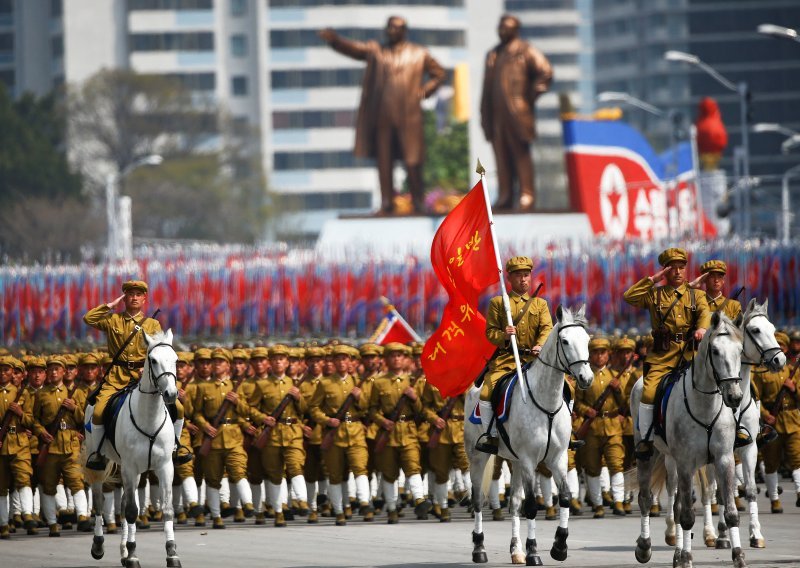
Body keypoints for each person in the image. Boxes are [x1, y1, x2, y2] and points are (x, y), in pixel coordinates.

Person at [319, 17, 446, 215]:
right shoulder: (376, 51)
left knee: (412, 161)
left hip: (409, 116)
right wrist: (335, 40)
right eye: (390, 27)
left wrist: (425, 90)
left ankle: (418, 203)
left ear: (405, 31)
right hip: (382, 116)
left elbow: (439, 73)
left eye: (397, 28)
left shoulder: (419, 53)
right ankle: (387, 203)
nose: (392, 31)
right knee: (384, 161)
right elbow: (355, 49)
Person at [82, 280, 191, 469]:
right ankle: (97, 453)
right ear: (125, 298)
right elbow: (88, 318)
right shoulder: (113, 320)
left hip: (144, 377)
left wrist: (146, 368)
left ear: (144, 299)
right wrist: (110, 306)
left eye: (138, 294)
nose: (134, 298)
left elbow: (159, 352)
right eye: (130, 294)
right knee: (99, 411)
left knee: (179, 408)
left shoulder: (152, 324)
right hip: (117, 377)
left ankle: (175, 447)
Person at [623, 248, 711, 459]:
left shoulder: (696, 295)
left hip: (691, 355)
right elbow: (629, 297)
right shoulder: (654, 295)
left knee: (720, 383)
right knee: (648, 392)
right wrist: (653, 279)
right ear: (665, 270)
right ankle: (645, 438)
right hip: (662, 356)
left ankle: (730, 431)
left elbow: (704, 313)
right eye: (673, 268)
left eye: (682, 267)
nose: (678, 272)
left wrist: (701, 329)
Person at [477, 256, 553, 454]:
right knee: (486, 393)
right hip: (507, 360)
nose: (523, 280)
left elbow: (547, 328)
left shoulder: (540, 304)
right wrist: (504, 335)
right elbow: (490, 333)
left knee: (567, 389)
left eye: (526, 275)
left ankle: (565, 432)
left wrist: (540, 345)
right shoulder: (498, 303)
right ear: (509, 278)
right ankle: (490, 434)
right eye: (518, 276)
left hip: (535, 361)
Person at [480, 14, 553, 211]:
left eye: (506, 27)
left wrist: (530, 96)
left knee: (520, 154)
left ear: (515, 29)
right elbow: (486, 89)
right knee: (501, 155)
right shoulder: (493, 54)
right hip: (497, 115)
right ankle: (505, 195)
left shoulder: (525, 50)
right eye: (500, 27)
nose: (501, 30)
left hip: (518, 112)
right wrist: (484, 116)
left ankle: (526, 194)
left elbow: (546, 72)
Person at [190, 348, 253, 529]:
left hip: (233, 436)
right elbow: (198, 413)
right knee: (213, 478)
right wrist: (204, 426)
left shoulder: (236, 387)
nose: (216, 365)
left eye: (220, 362)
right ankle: (216, 516)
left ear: (227, 365)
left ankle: (247, 503)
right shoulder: (204, 387)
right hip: (213, 437)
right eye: (214, 362)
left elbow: (246, 411)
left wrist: (237, 401)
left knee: (238, 469)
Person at [309, 345, 371, 526]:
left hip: (355, 431)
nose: (342, 362)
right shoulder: (325, 383)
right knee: (335, 475)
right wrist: (327, 420)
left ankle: (364, 501)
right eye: (338, 359)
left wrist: (360, 398)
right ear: (334, 362)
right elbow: (314, 408)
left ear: (351, 362)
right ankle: (338, 511)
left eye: (345, 359)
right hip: (334, 433)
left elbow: (366, 407)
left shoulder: (358, 382)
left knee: (360, 468)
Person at [248, 344, 308, 527]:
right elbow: (252, 408)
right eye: (274, 359)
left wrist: (299, 398)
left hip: (292, 432)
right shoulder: (262, 385)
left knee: (295, 464)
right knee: (275, 474)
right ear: (269, 363)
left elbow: (304, 410)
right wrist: (263, 418)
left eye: (281, 359)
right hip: (272, 434)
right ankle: (279, 511)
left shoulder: (294, 384)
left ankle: (301, 499)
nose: (278, 362)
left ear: (287, 362)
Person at [368, 342, 429, 523]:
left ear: (405, 359)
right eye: (392, 356)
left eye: (400, 356)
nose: (396, 359)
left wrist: (414, 398)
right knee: (389, 472)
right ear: (386, 359)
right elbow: (372, 409)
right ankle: (392, 508)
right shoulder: (379, 382)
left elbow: (421, 410)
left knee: (413, 466)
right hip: (388, 432)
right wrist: (382, 421)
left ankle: (419, 498)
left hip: (408, 431)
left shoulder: (413, 382)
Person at [32, 355, 89, 536]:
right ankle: (52, 523)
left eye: (58, 369)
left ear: (64, 372)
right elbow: (34, 419)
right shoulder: (41, 394)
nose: (54, 372)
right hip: (51, 446)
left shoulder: (76, 393)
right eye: (51, 369)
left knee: (76, 480)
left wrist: (74, 409)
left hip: (71, 444)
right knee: (49, 484)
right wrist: (40, 431)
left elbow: (84, 419)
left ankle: (82, 516)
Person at [574, 337, 626, 517]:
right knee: (593, 467)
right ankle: (598, 505)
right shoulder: (584, 377)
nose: (599, 356)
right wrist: (585, 410)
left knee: (616, 464)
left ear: (608, 355)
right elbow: (577, 403)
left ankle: (618, 501)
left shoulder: (614, 376)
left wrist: (618, 390)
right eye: (595, 352)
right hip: (592, 429)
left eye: (602, 352)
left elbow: (624, 405)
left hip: (612, 427)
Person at [753, 331, 800, 513]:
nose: (780, 349)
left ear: (787, 349)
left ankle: (798, 492)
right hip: (772, 423)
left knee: (797, 458)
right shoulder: (762, 373)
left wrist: (794, 389)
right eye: (777, 346)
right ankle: (774, 499)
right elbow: (755, 397)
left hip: (793, 420)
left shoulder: (793, 371)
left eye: (783, 346)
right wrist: (765, 415)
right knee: (771, 462)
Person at [0, 356, 36, 538]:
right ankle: (4, 523)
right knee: (1, 486)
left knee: (24, 478)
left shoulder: (22, 394)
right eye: (1, 370)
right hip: (1, 444)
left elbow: (31, 420)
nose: (3, 373)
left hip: (20, 442)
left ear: (12, 373)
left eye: (6, 370)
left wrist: (21, 413)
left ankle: (28, 514)